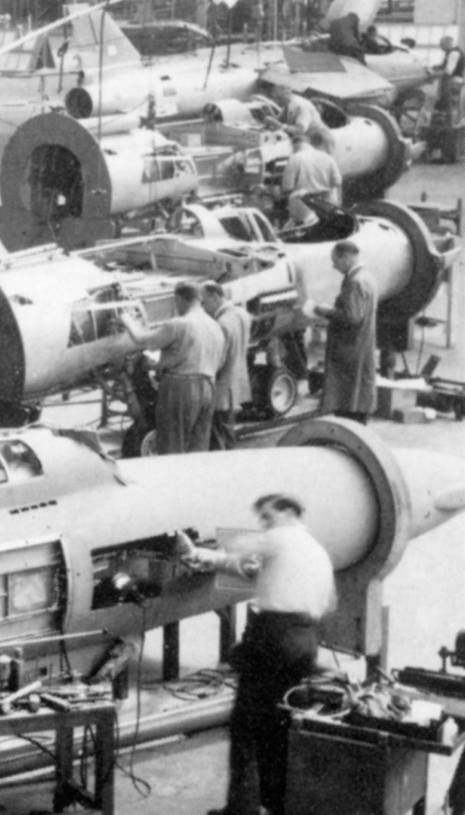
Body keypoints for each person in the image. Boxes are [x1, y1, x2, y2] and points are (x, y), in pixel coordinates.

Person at [176, 493, 333, 815]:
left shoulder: (282, 537)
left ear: (288, 512)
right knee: (279, 727)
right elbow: (262, 575)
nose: (264, 524)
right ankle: (277, 805)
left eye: (268, 516)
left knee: (246, 726)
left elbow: (242, 549)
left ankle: (241, 809)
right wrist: (205, 558)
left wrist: (190, 547)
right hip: (305, 641)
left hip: (274, 638)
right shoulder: (316, 551)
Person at [120, 282, 226, 454]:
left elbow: (142, 340)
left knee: (172, 446)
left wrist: (126, 319)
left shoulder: (178, 324)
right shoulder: (215, 326)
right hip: (208, 387)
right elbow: (220, 362)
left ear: (178, 299)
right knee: (198, 447)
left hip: (181, 388)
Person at [309, 240, 376, 423]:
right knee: (355, 401)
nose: (334, 266)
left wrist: (325, 310)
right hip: (358, 348)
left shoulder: (355, 282)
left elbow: (353, 318)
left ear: (345, 257)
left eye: (335, 261)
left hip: (350, 351)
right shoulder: (365, 277)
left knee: (348, 406)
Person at [202, 282, 252, 450]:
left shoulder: (221, 323)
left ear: (215, 298)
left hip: (222, 389)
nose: (203, 308)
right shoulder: (242, 314)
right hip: (236, 383)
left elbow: (218, 360)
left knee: (219, 437)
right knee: (227, 431)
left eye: (204, 303)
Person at [280, 131, 342, 229]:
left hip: (304, 208)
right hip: (327, 204)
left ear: (294, 145)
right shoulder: (328, 158)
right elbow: (337, 182)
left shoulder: (294, 158)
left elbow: (287, 188)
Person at [266, 85, 329, 150]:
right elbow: (281, 118)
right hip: (307, 139)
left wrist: (277, 124)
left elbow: (299, 131)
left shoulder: (300, 106)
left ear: (286, 95)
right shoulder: (288, 104)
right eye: (275, 98)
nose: (276, 102)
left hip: (319, 141)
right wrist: (272, 121)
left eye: (278, 98)